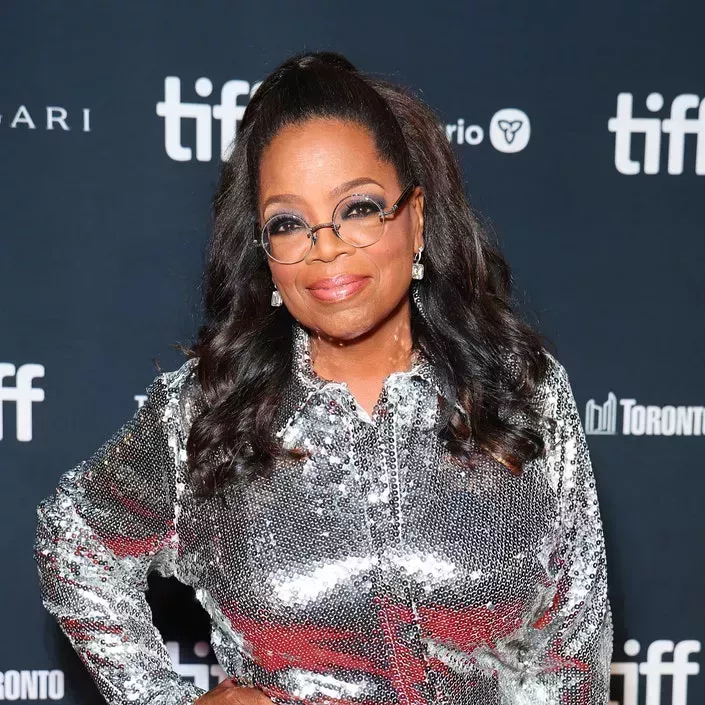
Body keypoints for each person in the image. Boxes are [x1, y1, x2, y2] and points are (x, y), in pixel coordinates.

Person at [34, 51, 613, 705]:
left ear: (415, 218)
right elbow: (75, 536)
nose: (326, 246)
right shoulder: (209, 410)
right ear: (264, 251)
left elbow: (570, 655)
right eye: (288, 222)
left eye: (358, 208)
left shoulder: (520, 393)